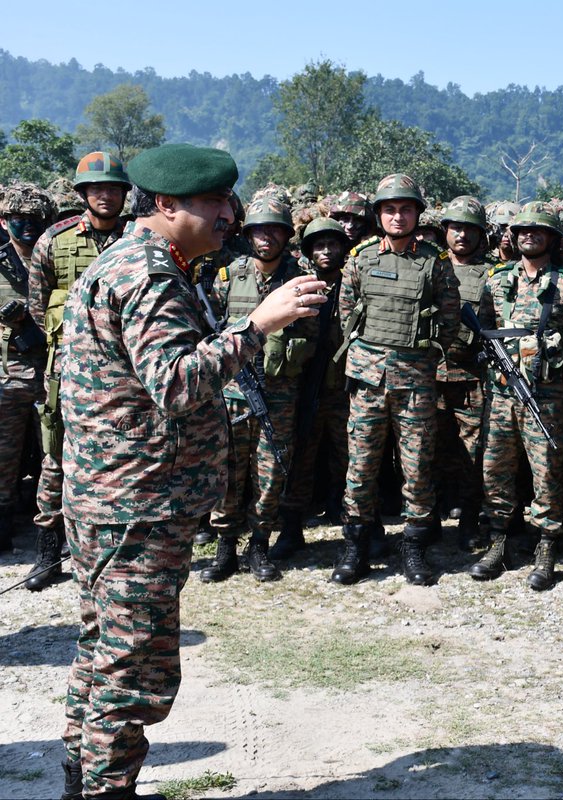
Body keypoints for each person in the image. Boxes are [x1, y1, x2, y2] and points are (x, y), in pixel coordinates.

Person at [56, 142, 326, 800]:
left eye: (228, 201)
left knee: (105, 648)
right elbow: (176, 383)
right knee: (132, 667)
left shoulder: (147, 262)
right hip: (136, 503)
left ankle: (81, 775)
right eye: (214, 202)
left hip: (118, 496)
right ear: (169, 205)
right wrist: (257, 326)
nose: (229, 215)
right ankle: (103, 789)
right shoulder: (150, 273)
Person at [333, 174, 460, 586]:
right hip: (368, 379)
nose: (398, 216)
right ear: (379, 215)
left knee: (417, 467)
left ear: (417, 215)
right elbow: (346, 314)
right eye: (390, 209)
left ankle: (413, 547)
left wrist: (423, 353)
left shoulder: (435, 263)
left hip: (415, 381)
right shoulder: (361, 258)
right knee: (361, 467)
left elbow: (450, 319)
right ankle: (355, 546)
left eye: (406, 209)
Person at [470, 202, 563, 591]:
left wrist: (554, 355)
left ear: (552, 239)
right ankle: (501, 541)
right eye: (523, 230)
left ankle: (546, 547)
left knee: (548, 473)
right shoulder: (497, 279)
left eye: (539, 231)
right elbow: (482, 328)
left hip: (545, 396)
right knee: (495, 470)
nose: (529, 235)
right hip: (502, 394)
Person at [25, 152, 131, 591]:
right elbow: (37, 307)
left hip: (128, 373)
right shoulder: (54, 240)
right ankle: (49, 555)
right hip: (68, 370)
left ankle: (117, 549)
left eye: (113, 188)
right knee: (57, 456)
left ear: (125, 194)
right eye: (96, 188)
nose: (105, 195)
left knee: (126, 457)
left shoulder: (139, 238)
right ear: (83, 193)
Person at [201, 196, 317, 583]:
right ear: (248, 234)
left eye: (275, 230)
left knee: (269, 474)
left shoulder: (301, 280)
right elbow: (211, 330)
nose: (266, 238)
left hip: (279, 394)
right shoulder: (229, 276)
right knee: (229, 471)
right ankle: (225, 547)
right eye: (258, 230)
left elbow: (314, 336)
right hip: (233, 391)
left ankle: (259, 545)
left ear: (287, 234)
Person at [274, 217, 353, 557]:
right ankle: (291, 529)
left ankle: (359, 528)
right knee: (300, 459)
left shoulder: (353, 283)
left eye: (332, 244)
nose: (326, 251)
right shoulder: (299, 287)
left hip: (347, 388)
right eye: (318, 245)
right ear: (308, 251)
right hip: (307, 387)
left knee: (353, 460)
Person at [433, 196, 493, 550]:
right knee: (432, 452)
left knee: (473, 453)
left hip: (471, 379)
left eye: (470, 229)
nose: (462, 236)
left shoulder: (491, 275)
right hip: (430, 376)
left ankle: (469, 521)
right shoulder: (431, 267)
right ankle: (432, 522)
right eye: (456, 228)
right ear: (445, 232)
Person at [0, 182, 53, 551]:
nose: (28, 226)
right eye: (19, 219)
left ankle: (53, 533)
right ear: (4, 221)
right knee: (4, 458)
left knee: (56, 456)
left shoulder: (54, 257)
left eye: (35, 218)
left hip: (52, 373)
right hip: (8, 376)